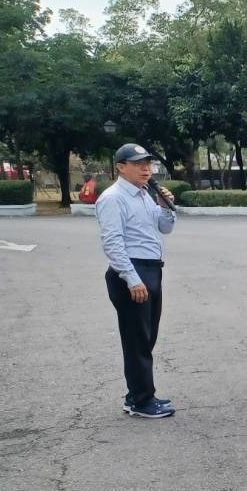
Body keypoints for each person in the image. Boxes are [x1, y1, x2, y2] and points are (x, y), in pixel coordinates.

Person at [95, 143, 177, 418]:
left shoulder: (144, 195)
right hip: (132, 272)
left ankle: (135, 395)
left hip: (152, 269)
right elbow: (113, 242)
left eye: (148, 163)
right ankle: (143, 400)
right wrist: (131, 278)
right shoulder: (112, 198)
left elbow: (164, 227)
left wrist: (166, 206)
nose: (146, 169)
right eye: (139, 163)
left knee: (146, 337)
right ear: (121, 166)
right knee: (137, 340)